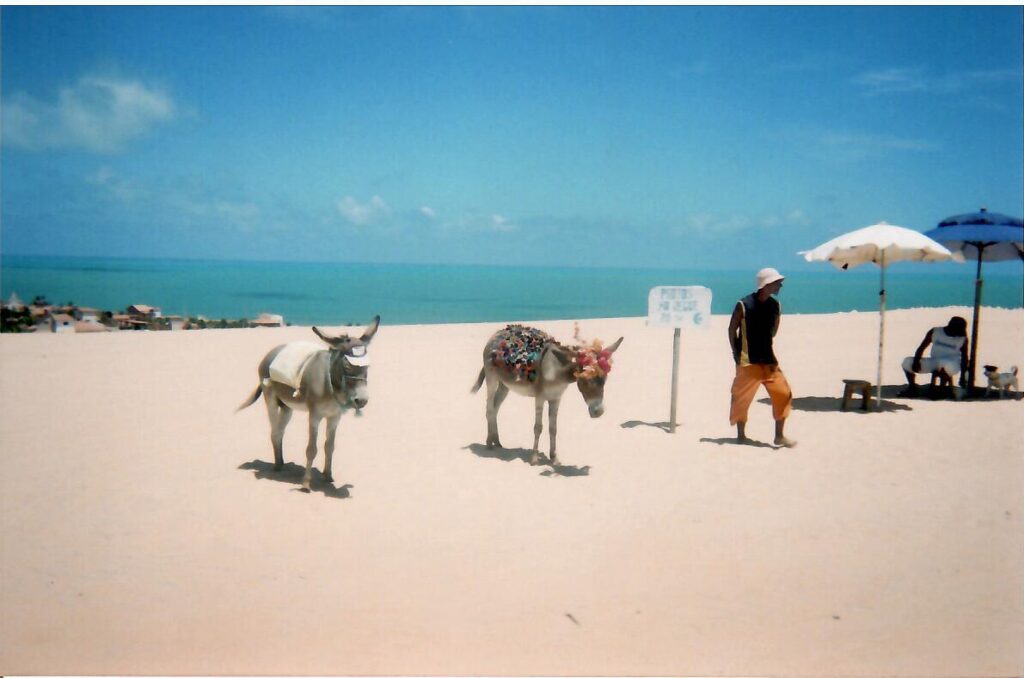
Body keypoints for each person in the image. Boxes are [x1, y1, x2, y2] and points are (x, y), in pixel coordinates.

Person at [727, 267, 796, 448]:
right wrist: (736, 353)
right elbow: (731, 328)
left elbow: (773, 330)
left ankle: (779, 436)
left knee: (783, 394)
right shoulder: (744, 304)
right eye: (777, 282)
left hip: (769, 360)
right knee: (741, 399)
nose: (780, 285)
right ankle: (741, 436)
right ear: (766, 284)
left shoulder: (775, 306)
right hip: (747, 361)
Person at [899, 316, 968, 397]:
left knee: (944, 364)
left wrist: (963, 376)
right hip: (934, 361)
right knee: (907, 362)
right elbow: (922, 347)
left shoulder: (962, 339)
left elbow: (964, 357)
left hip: (952, 364)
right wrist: (916, 361)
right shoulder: (935, 332)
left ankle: (941, 390)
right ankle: (912, 387)